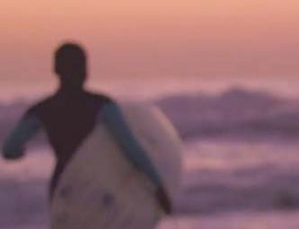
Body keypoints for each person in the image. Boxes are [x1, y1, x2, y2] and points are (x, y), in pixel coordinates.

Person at [2, 42, 172, 213]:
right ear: (84, 70)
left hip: (62, 187)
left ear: (55, 70)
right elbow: (131, 148)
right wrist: (158, 186)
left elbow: (9, 149)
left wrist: (19, 153)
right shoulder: (101, 105)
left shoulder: (43, 109)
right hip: (96, 188)